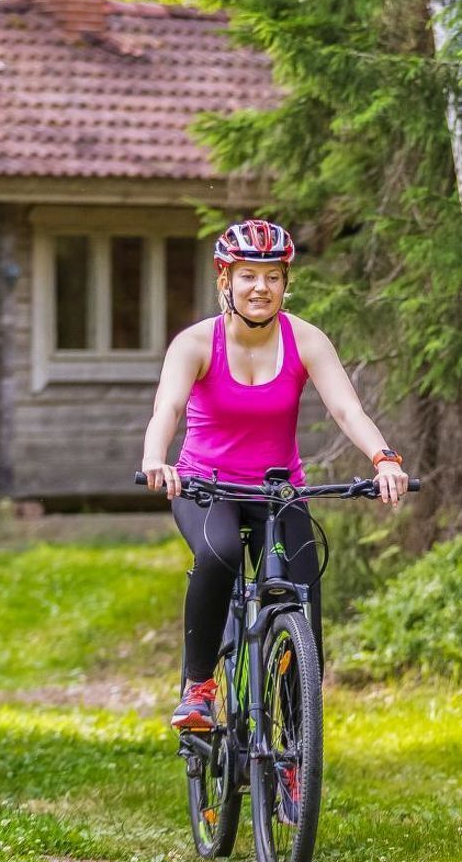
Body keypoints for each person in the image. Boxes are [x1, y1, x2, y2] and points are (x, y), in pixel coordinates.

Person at [139, 219, 410, 732]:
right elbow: (167, 409)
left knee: (303, 602)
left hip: (277, 490)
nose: (260, 287)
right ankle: (198, 689)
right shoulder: (196, 343)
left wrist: (384, 458)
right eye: (248, 275)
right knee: (218, 553)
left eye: (272, 276)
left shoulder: (306, 339)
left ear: (286, 282)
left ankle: (292, 743)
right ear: (225, 279)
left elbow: (348, 411)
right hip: (206, 486)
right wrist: (157, 457)